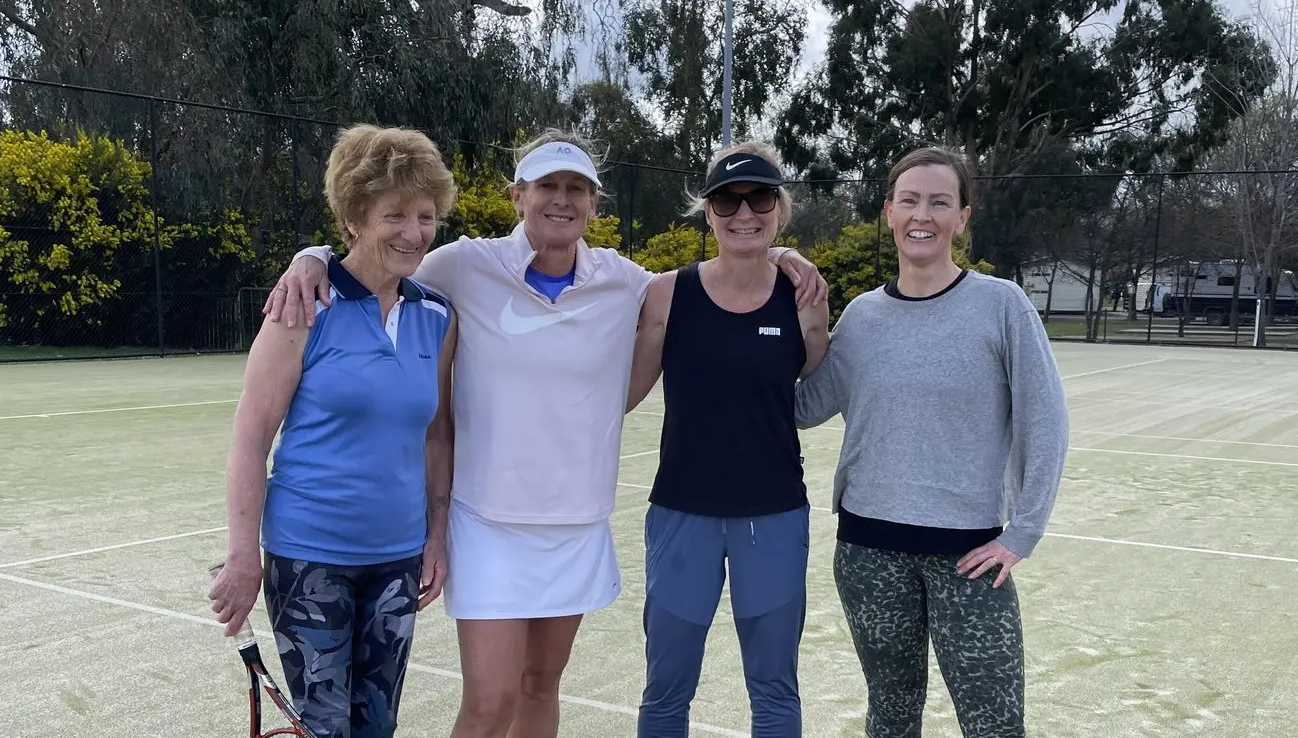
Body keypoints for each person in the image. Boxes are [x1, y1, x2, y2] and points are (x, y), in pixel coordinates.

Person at [262, 129, 828, 738]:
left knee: (540, 688)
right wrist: (312, 256)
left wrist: (782, 258)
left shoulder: (627, 281)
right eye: (548, 186)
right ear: (518, 196)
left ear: (593, 202)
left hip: (576, 522)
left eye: (576, 189)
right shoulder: (463, 264)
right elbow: (377, 258)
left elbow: (717, 277)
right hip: (487, 522)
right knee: (490, 701)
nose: (562, 199)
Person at [793, 146, 1070, 738]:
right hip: (868, 554)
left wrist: (1022, 532)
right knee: (890, 719)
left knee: (995, 726)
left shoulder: (1002, 306)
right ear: (889, 212)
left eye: (940, 202)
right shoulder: (862, 317)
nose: (924, 215)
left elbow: (1045, 422)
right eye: (910, 200)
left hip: (970, 558)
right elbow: (805, 407)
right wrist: (777, 321)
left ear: (962, 218)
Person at [208, 124, 460, 738]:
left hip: (397, 559)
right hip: (309, 557)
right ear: (353, 218)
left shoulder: (436, 316)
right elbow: (250, 437)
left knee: (377, 726)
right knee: (325, 727)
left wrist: (436, 535)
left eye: (425, 215)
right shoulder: (302, 306)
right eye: (394, 214)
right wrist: (244, 556)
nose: (413, 232)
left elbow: (436, 435)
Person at [626, 142, 829, 738]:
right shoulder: (666, 293)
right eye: (727, 200)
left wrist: (791, 261)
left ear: (780, 208)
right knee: (666, 690)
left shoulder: (805, 298)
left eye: (759, 197)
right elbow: (620, 395)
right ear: (707, 212)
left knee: (773, 691)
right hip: (681, 515)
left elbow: (820, 392)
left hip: (773, 517)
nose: (744, 212)